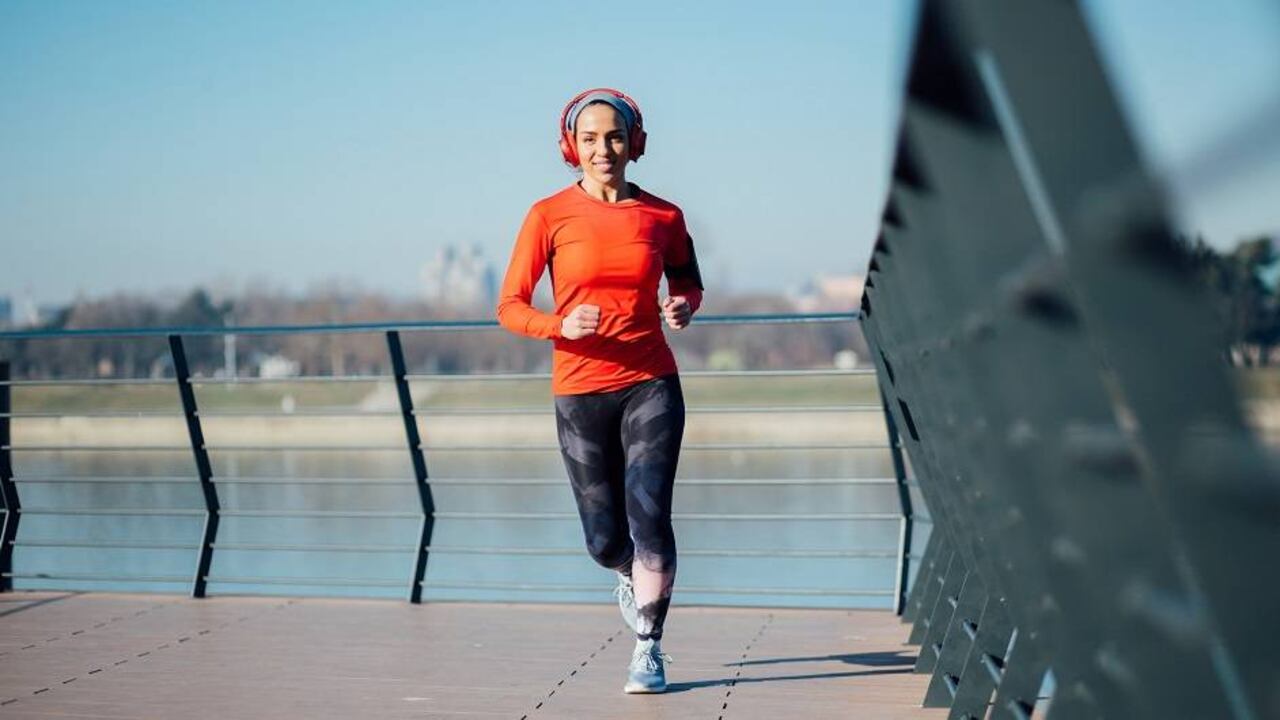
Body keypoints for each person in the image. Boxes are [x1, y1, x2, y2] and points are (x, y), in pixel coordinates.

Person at [496, 87, 704, 694]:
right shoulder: (547, 215)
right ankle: (627, 572)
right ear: (571, 146)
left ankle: (649, 647)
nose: (602, 149)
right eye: (589, 138)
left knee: (651, 514)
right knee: (604, 538)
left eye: (613, 136)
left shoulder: (663, 216)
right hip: (580, 388)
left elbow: (689, 280)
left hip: (650, 382)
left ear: (634, 143)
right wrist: (559, 324)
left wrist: (683, 305)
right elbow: (509, 305)